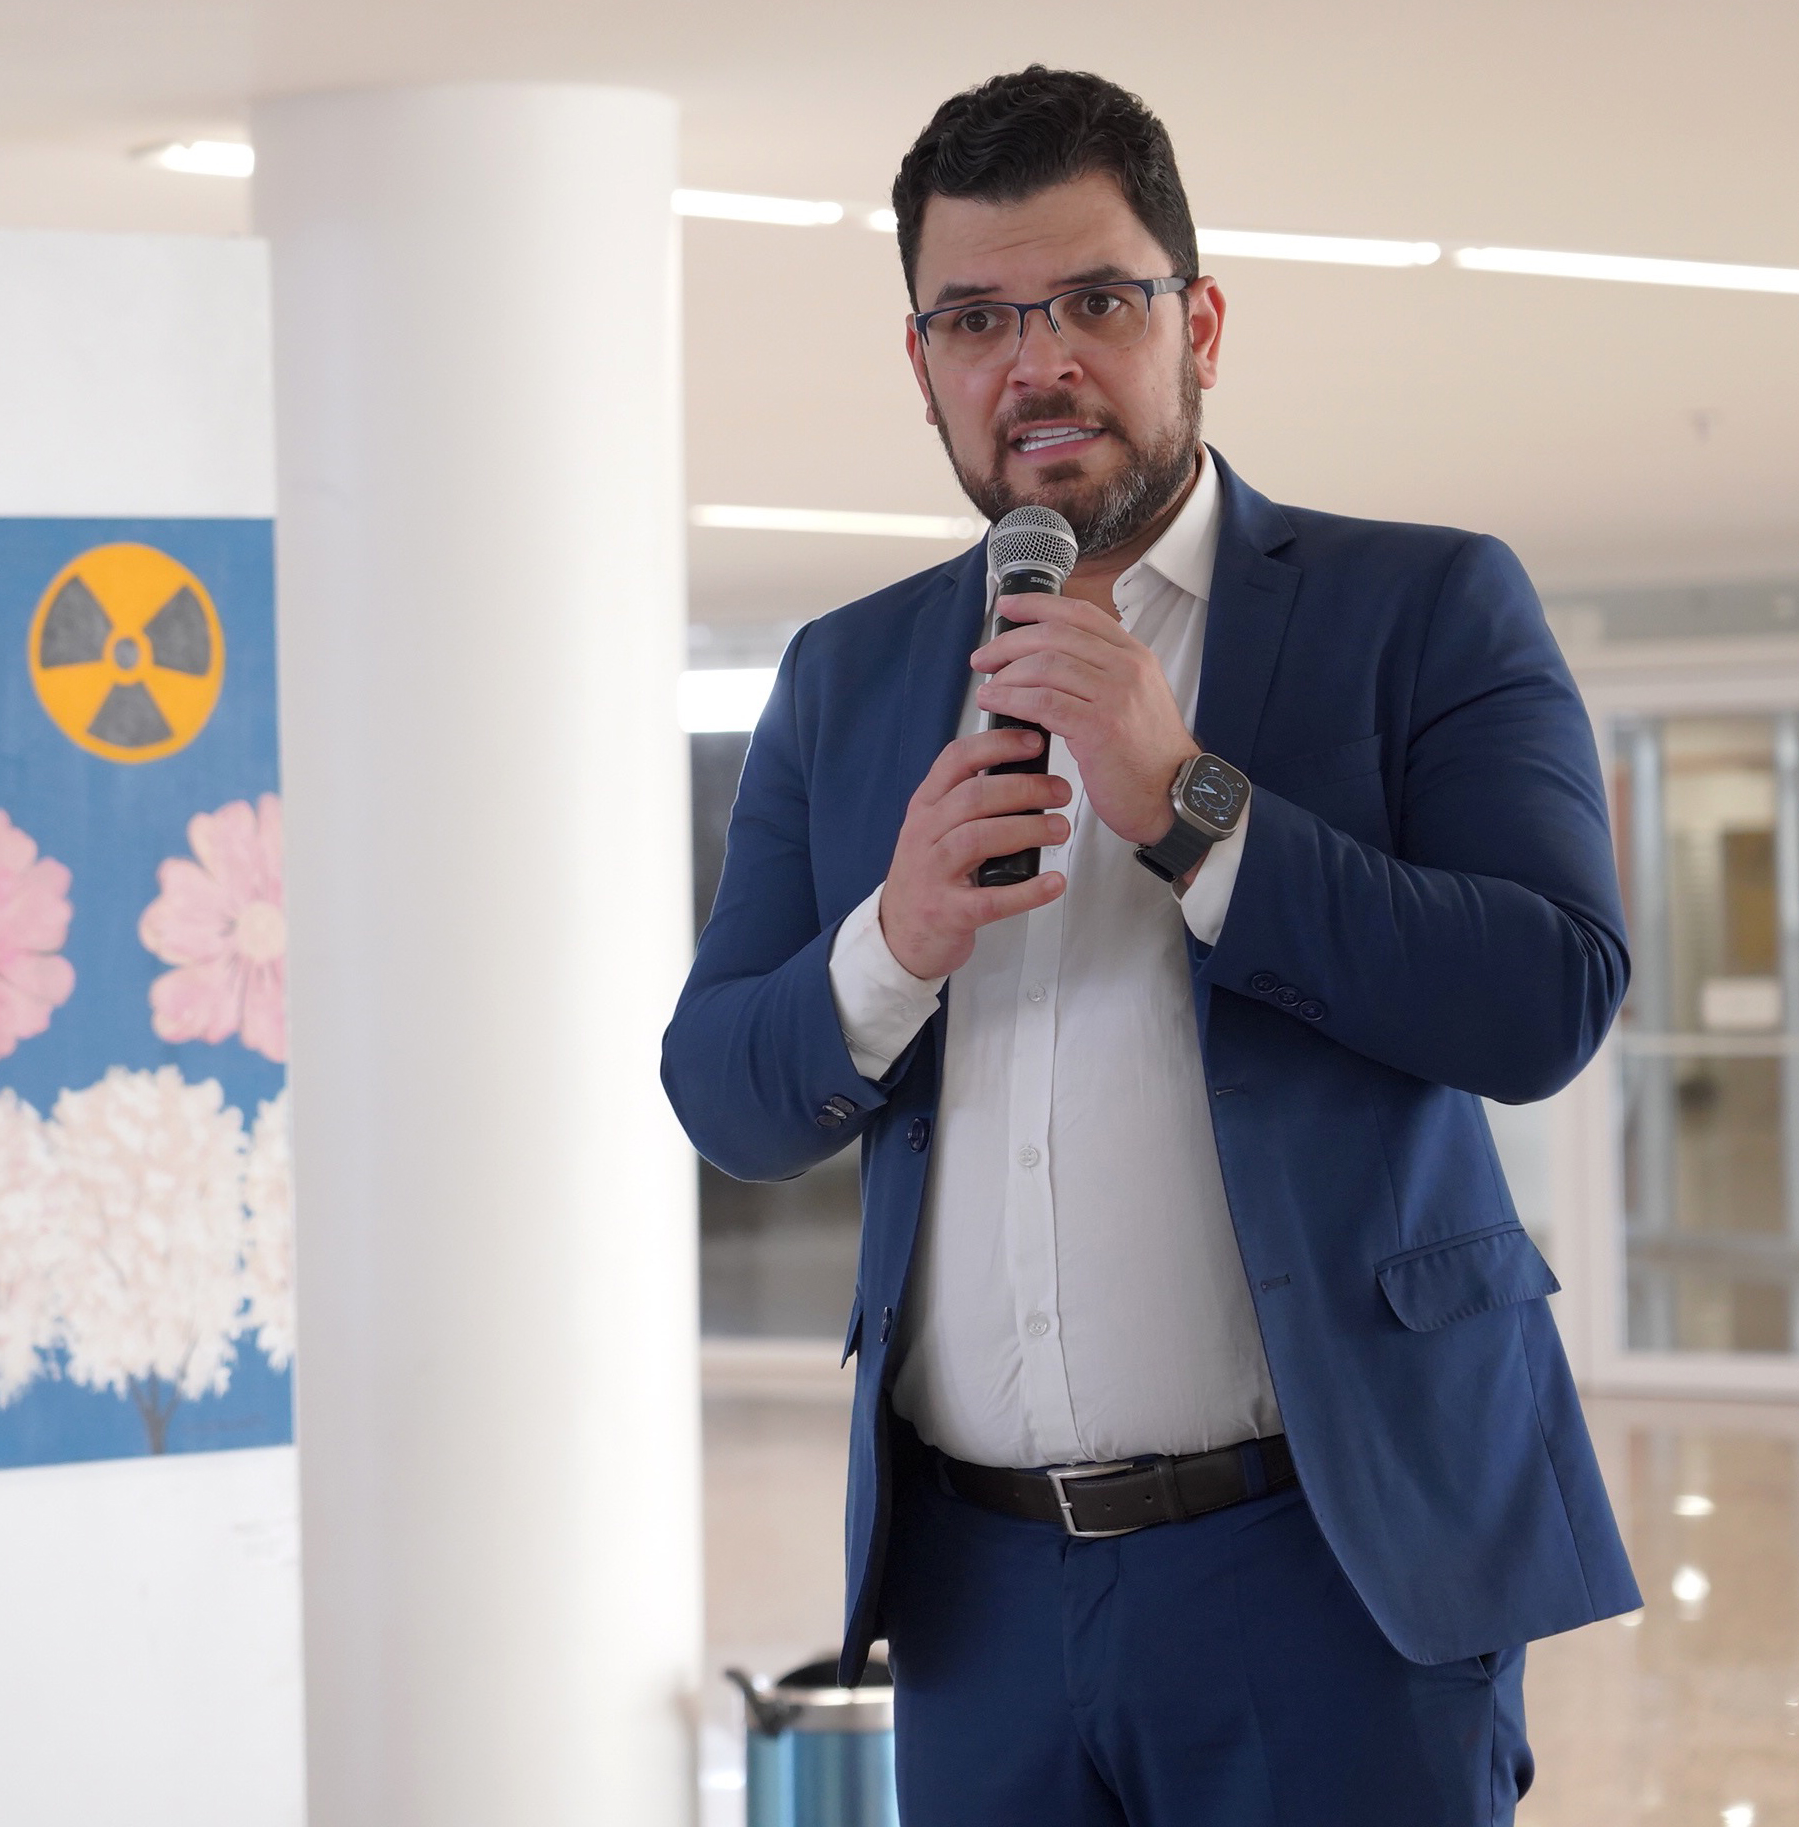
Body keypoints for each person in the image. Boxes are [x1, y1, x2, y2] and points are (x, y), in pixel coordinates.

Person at [663, 66, 1637, 1826]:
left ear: (1199, 324)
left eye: (1095, 301)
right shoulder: (848, 675)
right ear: (924, 369)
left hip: (1331, 1568)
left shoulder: (1422, 607)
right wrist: (893, 940)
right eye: (975, 318)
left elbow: (1546, 995)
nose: (1035, 361)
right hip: (978, 1599)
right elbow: (725, 1091)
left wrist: (1194, 804)